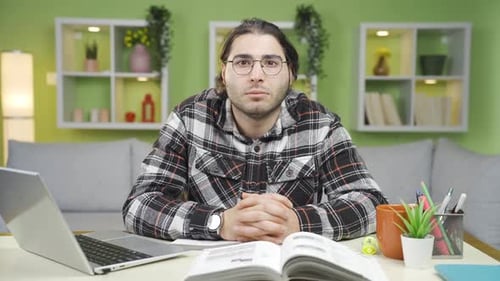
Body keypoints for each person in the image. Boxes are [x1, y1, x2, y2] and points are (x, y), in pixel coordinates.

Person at [122, 18, 387, 244]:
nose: (256, 75)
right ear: (224, 73)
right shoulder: (189, 117)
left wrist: (299, 222)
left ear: (290, 74)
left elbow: (372, 204)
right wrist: (219, 223)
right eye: (243, 62)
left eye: (271, 63)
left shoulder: (321, 125)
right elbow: (139, 204)